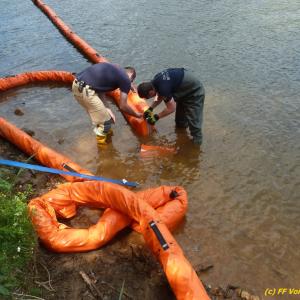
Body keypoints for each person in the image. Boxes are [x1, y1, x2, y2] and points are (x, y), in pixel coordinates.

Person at [72, 62, 142, 145]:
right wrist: (137, 115)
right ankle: (104, 152)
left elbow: (100, 90)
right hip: (86, 91)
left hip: (76, 86)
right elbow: (123, 106)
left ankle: (108, 141)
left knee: (105, 118)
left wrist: (108, 109)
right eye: (131, 81)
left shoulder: (115, 70)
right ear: (131, 77)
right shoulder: (126, 79)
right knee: (105, 123)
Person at [137, 68, 205, 146]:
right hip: (183, 91)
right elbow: (160, 96)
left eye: (148, 97)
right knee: (180, 122)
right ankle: (181, 139)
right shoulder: (155, 82)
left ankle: (195, 149)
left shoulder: (163, 88)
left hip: (194, 92)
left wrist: (156, 117)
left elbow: (171, 108)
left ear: (151, 91)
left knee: (195, 125)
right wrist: (150, 109)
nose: (150, 98)